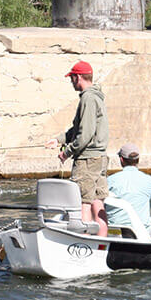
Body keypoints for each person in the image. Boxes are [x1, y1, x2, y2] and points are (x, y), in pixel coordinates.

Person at [45, 60, 109, 237]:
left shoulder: (88, 98)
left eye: (72, 78)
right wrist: (58, 140)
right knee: (97, 202)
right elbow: (78, 128)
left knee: (83, 203)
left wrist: (66, 152)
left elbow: (85, 134)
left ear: (78, 77)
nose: (71, 81)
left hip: (87, 160)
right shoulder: (96, 97)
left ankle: (86, 243)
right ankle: (101, 243)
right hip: (100, 158)